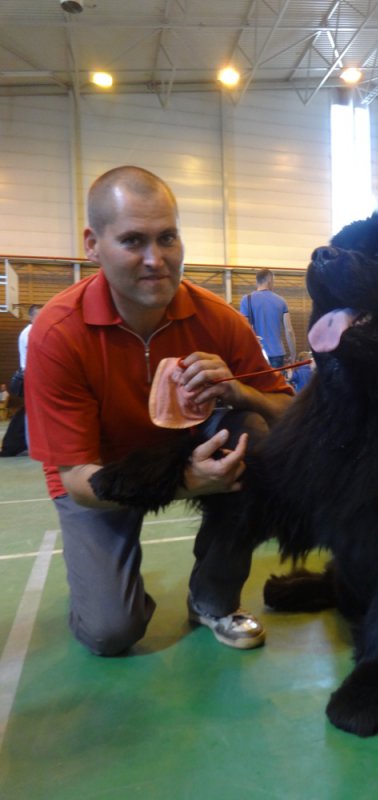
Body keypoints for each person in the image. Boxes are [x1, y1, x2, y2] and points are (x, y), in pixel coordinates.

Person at [26, 165, 294, 657]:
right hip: (104, 474)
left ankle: (213, 600)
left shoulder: (220, 319)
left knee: (254, 435)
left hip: (187, 449)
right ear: (92, 243)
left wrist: (240, 393)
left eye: (167, 238)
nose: (157, 260)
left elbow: (286, 412)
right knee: (110, 633)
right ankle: (104, 596)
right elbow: (79, 481)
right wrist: (186, 481)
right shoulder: (59, 334)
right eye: (133, 241)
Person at [240, 269, 296, 368]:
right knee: (276, 383)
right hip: (277, 353)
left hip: (256, 354)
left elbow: (243, 329)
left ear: (257, 281)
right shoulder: (281, 301)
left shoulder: (246, 300)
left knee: (256, 384)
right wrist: (293, 356)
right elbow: (289, 330)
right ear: (270, 280)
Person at [17, 303, 42, 448]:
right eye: (39, 315)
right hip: (32, 375)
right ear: (31, 317)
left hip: (34, 375)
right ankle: (32, 445)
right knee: (32, 411)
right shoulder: (29, 333)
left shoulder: (33, 331)